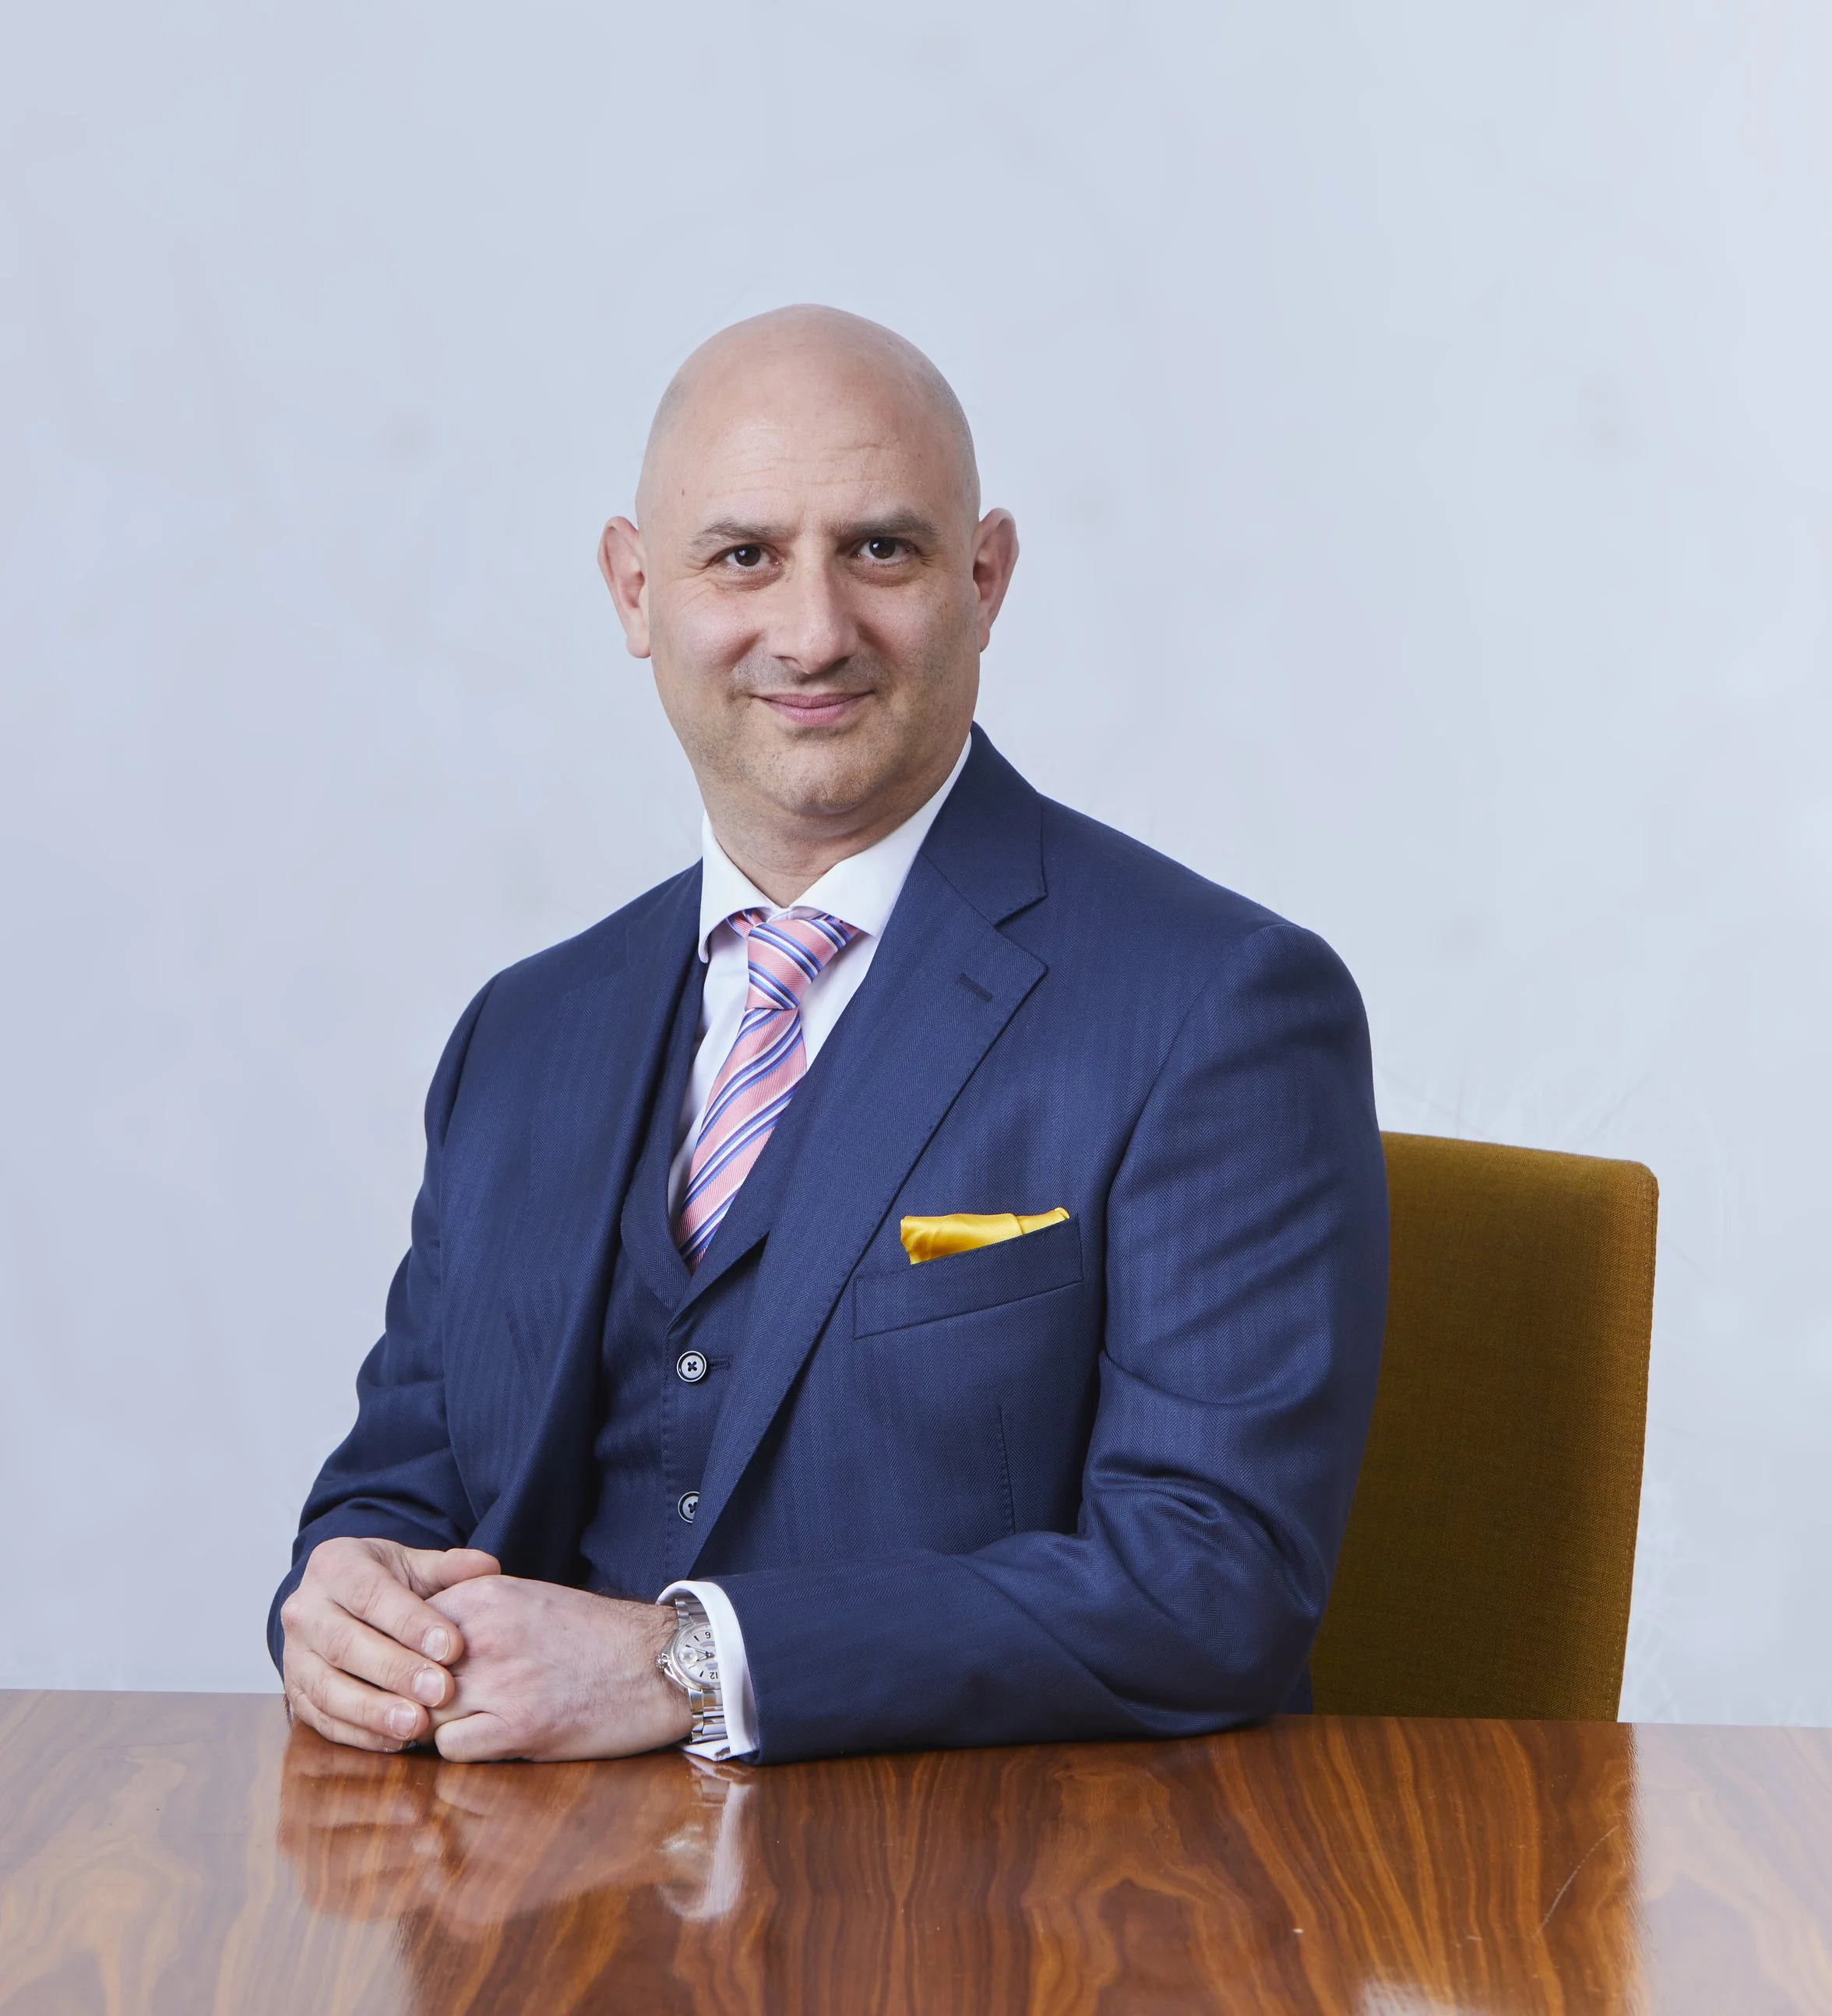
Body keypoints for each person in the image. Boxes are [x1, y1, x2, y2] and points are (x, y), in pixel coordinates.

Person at [271, 305, 1389, 1765]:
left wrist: (685, 1664)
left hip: (1003, 1879)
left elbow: (1214, 1580)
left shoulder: (1219, 1005)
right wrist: (349, 1604)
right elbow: (401, 1488)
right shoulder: (523, 1034)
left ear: (984, 580)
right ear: (635, 591)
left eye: (881, 550)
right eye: (743, 556)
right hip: (529, 1879)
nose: (812, 632)